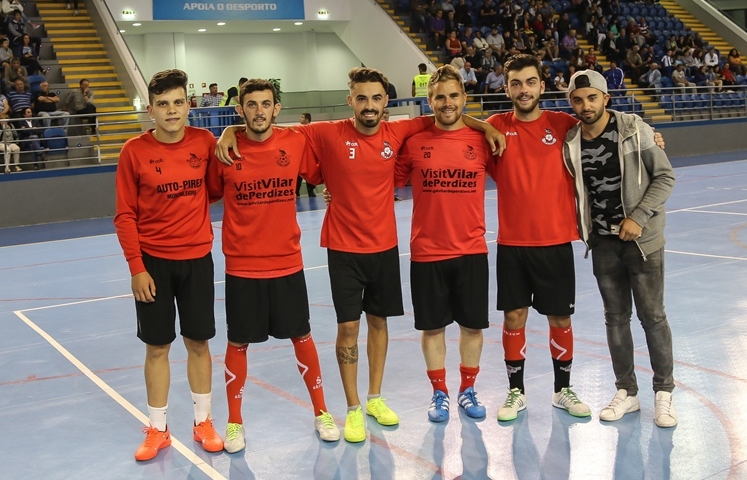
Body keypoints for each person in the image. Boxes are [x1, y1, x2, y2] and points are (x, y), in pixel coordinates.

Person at [216, 67, 505, 444]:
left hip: (384, 248)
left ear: (387, 102)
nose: (369, 106)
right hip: (342, 248)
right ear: (350, 100)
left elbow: (446, 113)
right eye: (362, 98)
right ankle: (353, 408)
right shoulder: (324, 131)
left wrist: (485, 126)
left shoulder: (399, 131)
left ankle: (374, 398)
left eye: (377, 98)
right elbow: (264, 126)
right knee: (348, 328)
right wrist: (228, 130)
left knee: (379, 324)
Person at [208, 80, 338, 453]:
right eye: (252, 105)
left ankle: (322, 412)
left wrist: (333, 189)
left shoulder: (294, 142)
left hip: (287, 263)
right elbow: (207, 193)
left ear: (277, 108)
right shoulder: (226, 151)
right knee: (238, 341)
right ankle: (234, 423)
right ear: (240, 109)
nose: (259, 111)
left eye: (266, 104)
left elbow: (322, 173)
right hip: (242, 267)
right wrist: (227, 134)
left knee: (302, 336)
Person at [113, 69, 224, 462]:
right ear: (150, 110)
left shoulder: (205, 141)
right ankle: (158, 429)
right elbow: (124, 215)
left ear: (189, 106)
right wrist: (136, 267)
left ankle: (204, 422)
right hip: (154, 265)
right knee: (157, 347)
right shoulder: (133, 151)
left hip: (196, 259)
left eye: (178, 102)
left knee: (198, 342)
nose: (171, 110)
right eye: (163, 104)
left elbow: (215, 189)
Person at [563, 69, 677, 427]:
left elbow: (665, 176)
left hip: (642, 242)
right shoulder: (571, 142)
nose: (585, 106)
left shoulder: (633, 128)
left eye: (592, 98)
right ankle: (627, 392)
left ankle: (664, 393)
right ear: (572, 103)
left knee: (652, 317)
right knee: (616, 318)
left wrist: (639, 217)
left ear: (605, 98)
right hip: (603, 244)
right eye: (578, 100)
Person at [486, 54, 591, 422]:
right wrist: (483, 127)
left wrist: (648, 132)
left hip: (555, 241)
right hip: (512, 245)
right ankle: (517, 392)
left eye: (530, 82)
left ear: (542, 86)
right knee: (514, 317)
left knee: (560, 318)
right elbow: (452, 126)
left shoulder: (563, 124)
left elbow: (607, 124)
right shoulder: (495, 126)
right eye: (516, 83)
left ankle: (563, 390)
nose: (523, 89)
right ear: (507, 88)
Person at [394, 65, 490, 423]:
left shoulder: (482, 141)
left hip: (471, 250)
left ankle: (467, 389)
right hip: (427, 251)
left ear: (464, 98)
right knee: (432, 328)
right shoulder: (415, 143)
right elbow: (380, 181)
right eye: (439, 97)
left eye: (453, 96)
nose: (447, 103)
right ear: (429, 100)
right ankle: (439, 394)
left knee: (471, 327)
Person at [296, 112, 316, 197]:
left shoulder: (313, 130)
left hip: (310, 156)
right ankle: (296, 191)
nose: (300, 118)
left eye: (302, 117)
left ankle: (310, 190)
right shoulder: (298, 130)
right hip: (300, 155)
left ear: (307, 120)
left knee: (310, 173)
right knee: (298, 174)